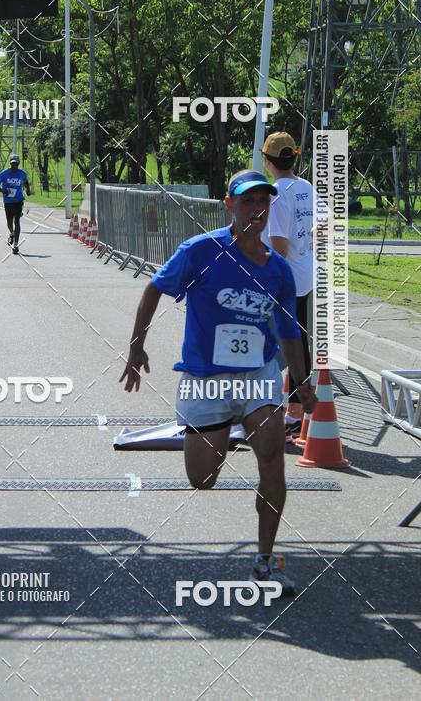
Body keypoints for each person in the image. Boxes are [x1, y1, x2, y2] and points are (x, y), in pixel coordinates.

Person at [120, 170, 317, 594]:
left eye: (263, 202)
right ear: (229, 204)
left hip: (258, 379)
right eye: (247, 201)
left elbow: (288, 331)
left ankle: (264, 563)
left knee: (271, 460)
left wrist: (301, 382)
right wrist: (136, 347)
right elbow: (155, 289)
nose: (256, 210)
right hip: (205, 380)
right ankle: (222, 431)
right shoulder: (200, 251)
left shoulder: (279, 271)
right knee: (202, 479)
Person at [261, 133, 314, 437]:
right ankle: (295, 411)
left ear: (267, 161)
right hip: (305, 273)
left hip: (285, 278)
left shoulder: (276, 193)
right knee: (298, 343)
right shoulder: (304, 186)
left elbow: (278, 246)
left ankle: (285, 413)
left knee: (272, 344)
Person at [0, 154, 30, 254]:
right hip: (8, 201)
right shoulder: (4, 173)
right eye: (12, 163)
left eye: (16, 163)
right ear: (10, 163)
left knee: (17, 221)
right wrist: (3, 191)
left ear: (18, 163)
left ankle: (16, 245)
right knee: (9, 222)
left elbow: (26, 182)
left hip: (18, 201)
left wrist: (28, 190)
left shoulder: (22, 173)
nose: (14, 165)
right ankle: (12, 233)